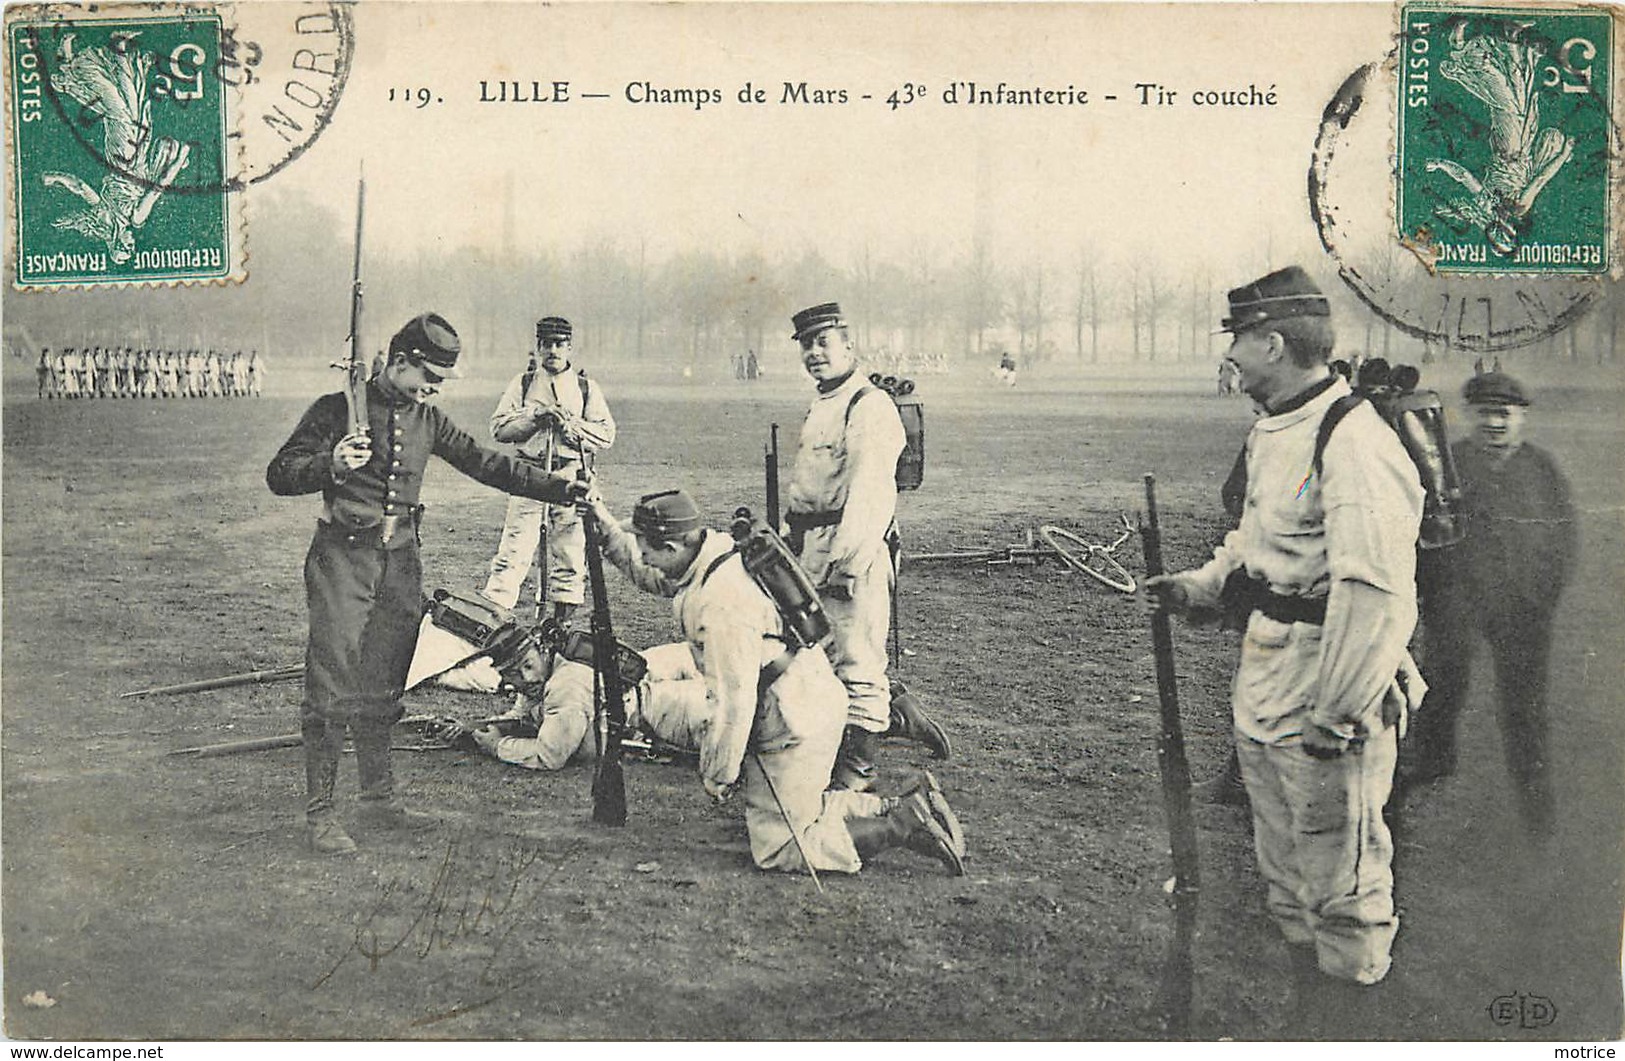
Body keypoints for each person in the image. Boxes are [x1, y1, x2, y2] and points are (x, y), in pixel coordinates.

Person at [1143, 267, 1425, 1032]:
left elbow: (1373, 594)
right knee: (1287, 877)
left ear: (1272, 342)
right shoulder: (1273, 424)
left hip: (1327, 679)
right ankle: (1314, 1025)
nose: (1229, 356)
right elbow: (1258, 539)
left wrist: (1334, 713)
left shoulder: (1353, 437)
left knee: (1343, 885)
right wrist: (1202, 586)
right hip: (1265, 675)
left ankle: (1353, 1031)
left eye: (1236, 339)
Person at [266, 312, 587, 856]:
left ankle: (377, 799)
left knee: (386, 677)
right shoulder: (336, 409)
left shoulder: (427, 419)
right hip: (343, 562)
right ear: (399, 361)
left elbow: (487, 463)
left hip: (400, 561)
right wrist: (331, 463)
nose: (433, 390)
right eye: (428, 377)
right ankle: (321, 813)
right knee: (332, 680)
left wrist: (559, 487)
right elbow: (281, 473)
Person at [586, 487, 966, 877]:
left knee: (781, 846)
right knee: (803, 809)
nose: (642, 555)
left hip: (795, 721)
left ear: (671, 545)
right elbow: (655, 576)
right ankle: (911, 803)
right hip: (805, 696)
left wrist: (719, 774)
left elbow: (732, 704)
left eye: (645, 546)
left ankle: (902, 825)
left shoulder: (722, 605)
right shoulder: (714, 552)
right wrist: (606, 530)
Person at [784, 301, 949, 791]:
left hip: (851, 546)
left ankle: (858, 768)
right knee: (819, 650)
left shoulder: (868, 405)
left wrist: (848, 563)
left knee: (856, 656)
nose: (815, 353)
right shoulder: (825, 402)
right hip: (812, 542)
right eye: (807, 345)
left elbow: (872, 494)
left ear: (848, 344)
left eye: (824, 342)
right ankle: (892, 716)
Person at [1406, 372, 1577, 834]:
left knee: (1524, 705)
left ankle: (1535, 800)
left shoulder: (1542, 469)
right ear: (1469, 416)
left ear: (1521, 418)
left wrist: (1542, 596)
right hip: (1459, 600)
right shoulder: (1450, 463)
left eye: (1505, 414)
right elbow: (1426, 534)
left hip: (1522, 608)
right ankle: (1431, 759)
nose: (1495, 423)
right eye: (1485, 413)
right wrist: (1435, 594)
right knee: (1444, 679)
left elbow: (1564, 538)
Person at [480, 316, 616, 622]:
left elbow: (606, 434)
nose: (553, 350)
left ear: (570, 348)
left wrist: (572, 427)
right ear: (538, 347)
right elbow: (499, 429)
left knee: (569, 554)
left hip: (571, 474)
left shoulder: (585, 387)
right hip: (529, 475)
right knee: (513, 553)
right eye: (546, 344)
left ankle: (559, 628)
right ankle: (494, 624)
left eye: (559, 344)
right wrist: (536, 417)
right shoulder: (524, 383)